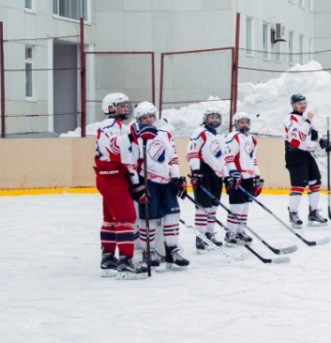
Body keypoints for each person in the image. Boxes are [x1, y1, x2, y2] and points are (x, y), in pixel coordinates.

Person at [131, 101, 189, 268]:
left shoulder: (165, 133)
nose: (149, 120)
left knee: (172, 216)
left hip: (167, 183)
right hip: (148, 182)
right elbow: (132, 161)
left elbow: (173, 158)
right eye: (145, 118)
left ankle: (172, 250)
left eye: (151, 116)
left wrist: (176, 178)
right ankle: (149, 251)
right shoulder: (135, 137)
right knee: (149, 218)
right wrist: (136, 183)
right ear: (138, 120)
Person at [95, 93, 147, 277]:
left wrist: (135, 180)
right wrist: (133, 134)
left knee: (111, 218)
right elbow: (115, 147)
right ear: (110, 108)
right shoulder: (108, 125)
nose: (125, 108)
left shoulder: (119, 126)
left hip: (115, 176)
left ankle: (108, 258)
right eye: (121, 106)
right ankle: (125, 261)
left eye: (126, 105)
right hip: (112, 176)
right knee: (126, 217)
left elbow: (128, 156)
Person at [284, 94, 331, 227]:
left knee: (315, 182)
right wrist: (308, 120)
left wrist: (323, 141)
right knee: (299, 185)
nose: (303, 105)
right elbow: (300, 136)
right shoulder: (290, 118)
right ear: (293, 105)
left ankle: (313, 213)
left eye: (304, 103)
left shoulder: (306, 117)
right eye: (300, 103)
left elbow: (314, 134)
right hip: (295, 154)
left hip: (307, 153)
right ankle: (293, 213)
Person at [187, 108, 230, 249]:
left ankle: (209, 234)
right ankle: (200, 237)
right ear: (205, 119)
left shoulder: (220, 136)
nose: (215, 119)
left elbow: (223, 158)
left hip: (217, 175)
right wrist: (196, 170)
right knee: (203, 206)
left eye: (217, 117)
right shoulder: (199, 132)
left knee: (213, 206)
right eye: (212, 117)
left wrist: (227, 176)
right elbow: (192, 152)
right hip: (203, 172)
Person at [224, 111, 263, 244]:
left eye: (246, 122)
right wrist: (233, 173)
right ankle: (230, 233)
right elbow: (228, 157)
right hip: (237, 177)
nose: (244, 124)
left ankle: (240, 231)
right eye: (241, 122)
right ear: (236, 124)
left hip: (248, 177)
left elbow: (253, 158)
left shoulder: (252, 139)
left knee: (245, 206)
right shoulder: (233, 137)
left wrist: (256, 174)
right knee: (237, 206)